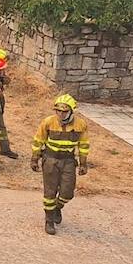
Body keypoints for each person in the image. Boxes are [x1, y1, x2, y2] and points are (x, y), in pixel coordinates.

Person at [31, 94, 90, 235]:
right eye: (58, 111)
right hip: (50, 159)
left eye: (64, 111)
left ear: (71, 111)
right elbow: (38, 140)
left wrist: (83, 163)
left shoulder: (80, 124)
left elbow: (84, 145)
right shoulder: (48, 122)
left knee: (67, 193)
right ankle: (49, 219)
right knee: (49, 192)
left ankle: (58, 207)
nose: (61, 114)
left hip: (68, 161)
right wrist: (34, 158)